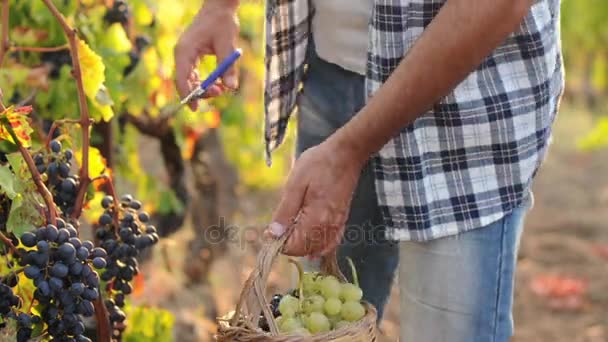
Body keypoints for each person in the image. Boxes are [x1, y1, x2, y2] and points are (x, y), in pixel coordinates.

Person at [175, 0, 564, 340]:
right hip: (331, 73)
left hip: (465, 107)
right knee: (326, 324)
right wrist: (220, 5)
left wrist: (347, 152)